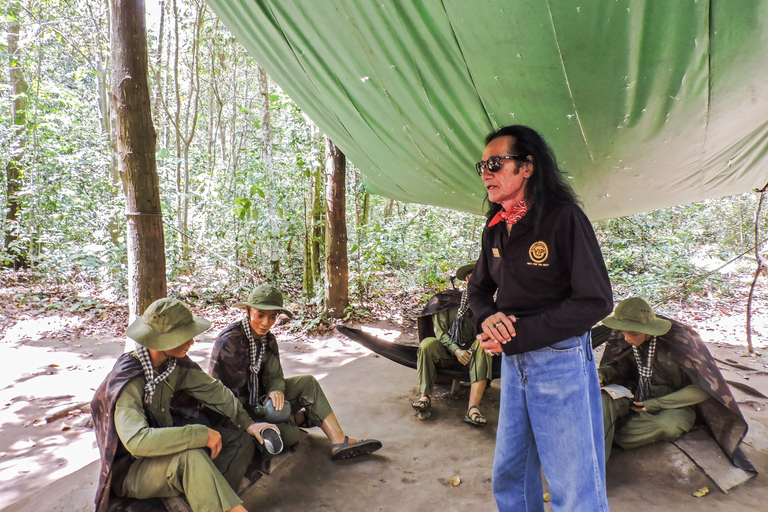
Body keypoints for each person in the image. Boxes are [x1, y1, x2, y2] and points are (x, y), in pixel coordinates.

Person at [468, 125, 613, 511]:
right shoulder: (496, 226)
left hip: (559, 359)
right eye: (482, 164)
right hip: (515, 363)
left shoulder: (564, 219)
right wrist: (489, 320)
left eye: (496, 163)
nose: (486, 172)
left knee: (572, 482)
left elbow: (595, 302)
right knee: (511, 474)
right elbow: (479, 289)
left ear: (527, 168)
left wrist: (517, 334)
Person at [91, 298, 276, 512]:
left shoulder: (173, 365)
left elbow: (215, 391)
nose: (192, 342)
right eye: (185, 337)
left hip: (166, 450)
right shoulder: (130, 380)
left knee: (240, 441)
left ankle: (207, 500)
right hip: (134, 469)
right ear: (164, 341)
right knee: (191, 456)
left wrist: (249, 424)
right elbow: (137, 442)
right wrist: (199, 434)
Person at [209, 284, 382, 460]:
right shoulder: (229, 342)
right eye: (260, 315)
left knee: (308, 383)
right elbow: (224, 398)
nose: (265, 323)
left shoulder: (268, 339)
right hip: (236, 414)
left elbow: (275, 375)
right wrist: (254, 421)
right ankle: (298, 419)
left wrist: (275, 389)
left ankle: (338, 442)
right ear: (248, 310)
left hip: (260, 401)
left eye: (272, 317)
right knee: (291, 435)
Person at [599, 297, 754, 471]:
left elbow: (703, 389)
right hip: (635, 395)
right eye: (623, 332)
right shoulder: (624, 337)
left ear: (648, 328)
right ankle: (597, 457)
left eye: (633, 333)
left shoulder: (680, 341)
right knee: (603, 400)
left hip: (674, 404)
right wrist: (603, 374)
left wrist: (655, 404)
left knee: (666, 426)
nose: (626, 338)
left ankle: (609, 435)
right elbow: (619, 367)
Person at [412, 263, 493, 426]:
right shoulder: (446, 301)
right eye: (472, 277)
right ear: (467, 279)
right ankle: (425, 397)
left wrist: (468, 352)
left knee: (484, 344)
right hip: (447, 353)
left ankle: (473, 409)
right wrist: (456, 351)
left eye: (479, 277)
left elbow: (488, 331)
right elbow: (440, 332)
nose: (476, 280)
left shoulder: (486, 304)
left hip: (473, 357)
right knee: (427, 344)